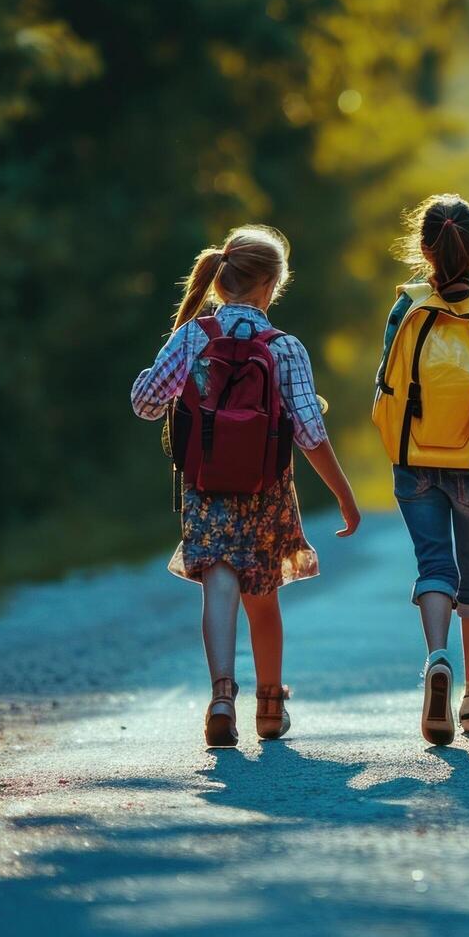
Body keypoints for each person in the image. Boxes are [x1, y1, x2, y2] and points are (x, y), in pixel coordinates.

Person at [131, 225, 360, 746]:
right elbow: (310, 433)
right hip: (266, 489)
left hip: (205, 484)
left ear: (220, 280)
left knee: (219, 580)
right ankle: (271, 707)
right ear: (271, 286)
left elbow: (144, 403)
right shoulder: (284, 348)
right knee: (263, 594)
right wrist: (346, 499)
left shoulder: (193, 335)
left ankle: (220, 695)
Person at [373, 194, 469, 745]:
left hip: (413, 461)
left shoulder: (405, 308)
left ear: (423, 249)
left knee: (435, 566)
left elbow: (384, 387)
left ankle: (437, 658)